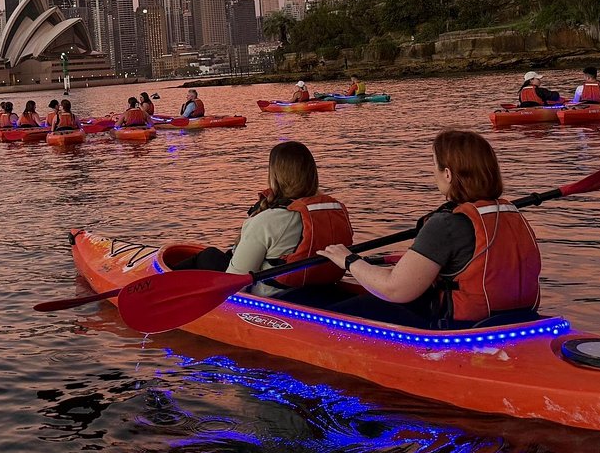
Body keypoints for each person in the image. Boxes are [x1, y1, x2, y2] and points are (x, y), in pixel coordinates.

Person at [318, 129, 541, 329]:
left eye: (434, 164)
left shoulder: (446, 224)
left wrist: (348, 260)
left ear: (448, 174)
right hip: (520, 320)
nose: (432, 171)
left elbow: (395, 289)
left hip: (463, 330)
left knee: (330, 317)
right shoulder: (512, 213)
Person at [172, 141, 354, 297]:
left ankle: (166, 285)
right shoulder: (337, 210)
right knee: (219, 255)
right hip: (319, 287)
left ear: (274, 176)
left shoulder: (267, 220)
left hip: (272, 296)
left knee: (208, 256)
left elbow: (235, 283)